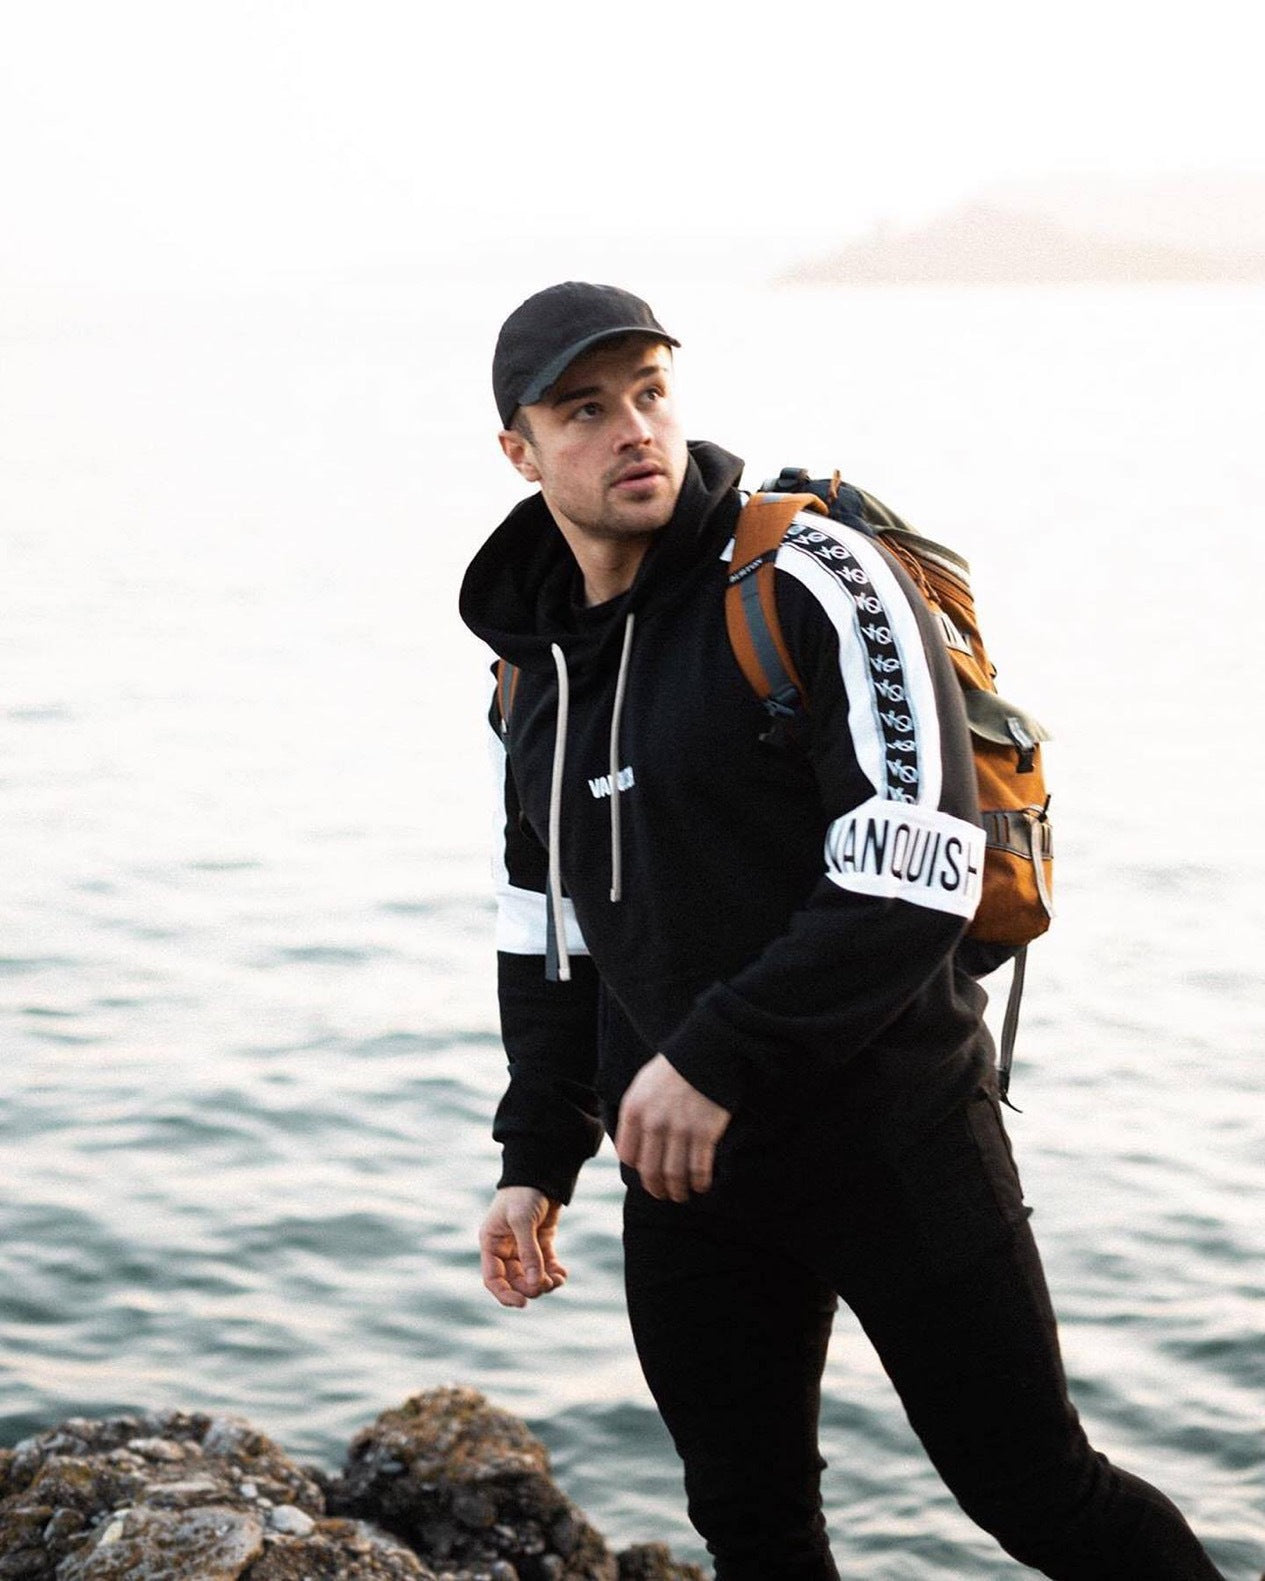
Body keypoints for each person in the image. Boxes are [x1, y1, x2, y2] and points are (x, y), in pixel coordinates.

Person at [458, 280, 1225, 1580]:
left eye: (649, 391)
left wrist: (714, 1058)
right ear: (519, 452)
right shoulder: (533, 674)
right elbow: (546, 927)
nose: (633, 428)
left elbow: (917, 860)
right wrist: (538, 1150)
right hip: (689, 1178)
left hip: (895, 1132)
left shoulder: (812, 575)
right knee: (750, 1523)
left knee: (1037, 1493)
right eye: (583, 410)